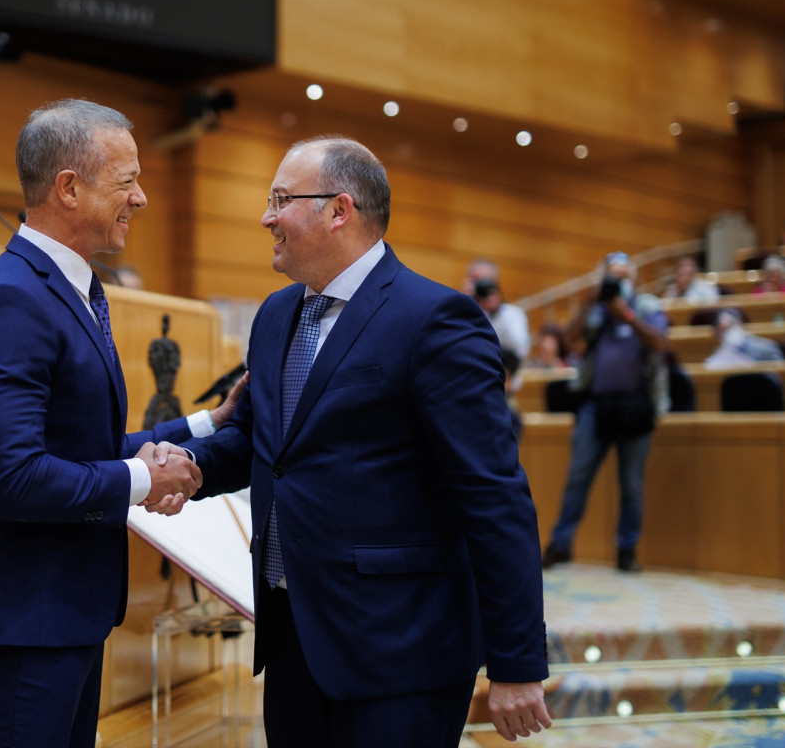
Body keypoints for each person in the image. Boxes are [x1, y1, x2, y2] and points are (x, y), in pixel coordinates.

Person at [184, 137, 550, 747]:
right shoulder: (276, 315)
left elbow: (493, 495)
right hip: (294, 635)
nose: (266, 217)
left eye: (281, 199)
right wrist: (173, 466)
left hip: (401, 650)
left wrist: (516, 662)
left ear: (338, 210)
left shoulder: (436, 319)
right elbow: (259, 443)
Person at [0, 99, 241, 747]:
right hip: (27, 616)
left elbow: (82, 450)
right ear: (68, 188)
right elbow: (16, 478)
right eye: (127, 181)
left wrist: (208, 424)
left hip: (61, 611)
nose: (143, 198)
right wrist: (142, 479)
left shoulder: (68, 287)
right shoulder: (14, 300)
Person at [541, 252, 669, 574]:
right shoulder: (596, 311)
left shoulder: (647, 307)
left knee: (631, 484)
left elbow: (658, 342)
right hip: (596, 406)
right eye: (612, 276)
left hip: (636, 406)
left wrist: (624, 313)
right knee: (577, 477)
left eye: (624, 276)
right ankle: (561, 544)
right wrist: (587, 305)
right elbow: (568, 342)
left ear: (634, 280)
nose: (618, 282)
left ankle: (627, 550)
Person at [465, 258, 531, 360]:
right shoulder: (461, 311)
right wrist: (463, 302)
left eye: (486, 281)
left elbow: (521, 349)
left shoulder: (513, 314)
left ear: (496, 284)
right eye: (477, 281)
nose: (482, 286)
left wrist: (496, 312)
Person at [704, 309, 784, 368]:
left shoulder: (767, 349)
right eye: (722, 330)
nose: (728, 334)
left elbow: (781, 378)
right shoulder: (715, 355)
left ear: (741, 324)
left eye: (731, 327)